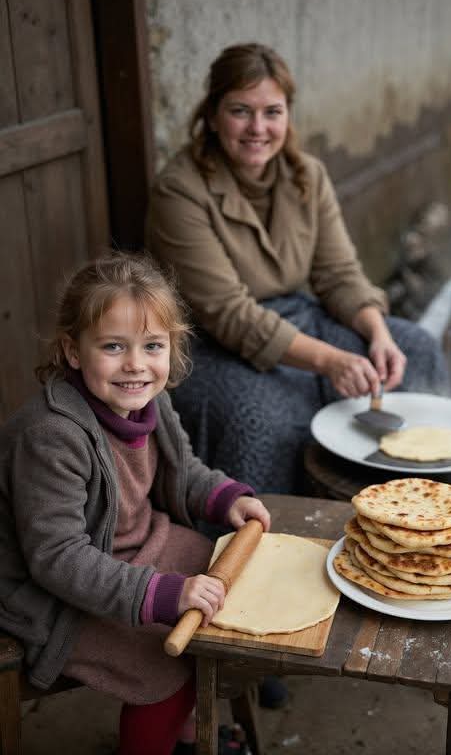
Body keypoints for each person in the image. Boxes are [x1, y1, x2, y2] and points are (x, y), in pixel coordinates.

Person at [145, 42, 448, 493]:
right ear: (211, 115)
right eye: (240, 111)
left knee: (416, 348)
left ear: (288, 115)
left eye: (272, 111)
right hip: (207, 344)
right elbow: (229, 314)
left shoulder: (307, 176)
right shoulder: (180, 191)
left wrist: (378, 332)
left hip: (298, 317)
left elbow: (339, 274)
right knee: (264, 417)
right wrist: (328, 360)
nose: (258, 128)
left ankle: (407, 506)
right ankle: (258, 541)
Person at [0, 252, 271, 755]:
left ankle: (187, 734)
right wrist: (165, 595)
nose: (135, 365)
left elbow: (183, 470)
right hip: (55, 594)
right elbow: (57, 559)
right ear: (73, 351)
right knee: (162, 666)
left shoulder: (151, 400)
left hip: (141, 547)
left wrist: (223, 498)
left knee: (232, 607)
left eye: (152, 346)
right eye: (113, 346)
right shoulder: (52, 437)